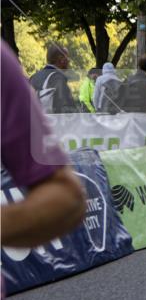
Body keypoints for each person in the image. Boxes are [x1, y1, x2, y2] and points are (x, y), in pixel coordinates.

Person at [1, 42, 86, 247]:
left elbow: (65, 196)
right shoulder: (57, 77)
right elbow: (66, 108)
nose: (70, 62)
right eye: (67, 57)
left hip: (39, 138)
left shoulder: (34, 76)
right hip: (54, 132)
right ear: (61, 59)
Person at [29, 44, 78, 113]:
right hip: (52, 122)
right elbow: (67, 109)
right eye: (67, 57)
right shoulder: (58, 78)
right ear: (61, 59)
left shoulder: (33, 77)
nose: (69, 61)